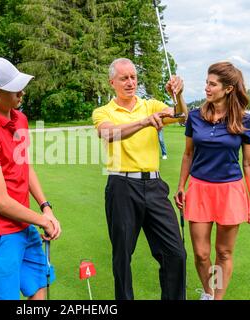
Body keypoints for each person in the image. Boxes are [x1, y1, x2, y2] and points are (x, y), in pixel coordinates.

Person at [92, 58, 188, 300]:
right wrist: (144, 122)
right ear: (111, 82)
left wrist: (178, 95)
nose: (130, 82)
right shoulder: (104, 112)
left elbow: (181, 116)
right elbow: (108, 133)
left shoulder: (150, 104)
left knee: (175, 252)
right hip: (121, 186)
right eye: (124, 78)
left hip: (154, 186)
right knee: (122, 256)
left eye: (133, 77)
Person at [0, 57, 62, 300]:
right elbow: (0, 202)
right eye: (13, 89)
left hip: (22, 224)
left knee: (38, 283)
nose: (21, 93)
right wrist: (41, 221)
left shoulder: (19, 119)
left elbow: (24, 167)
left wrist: (46, 208)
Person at [174, 62, 250, 300]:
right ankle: (208, 293)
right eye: (206, 82)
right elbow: (188, 154)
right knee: (201, 253)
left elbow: (249, 164)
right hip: (199, 189)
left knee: (223, 252)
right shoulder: (195, 117)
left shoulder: (245, 120)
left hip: (230, 191)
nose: (207, 88)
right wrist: (181, 186)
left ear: (228, 89)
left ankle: (217, 299)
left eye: (212, 84)